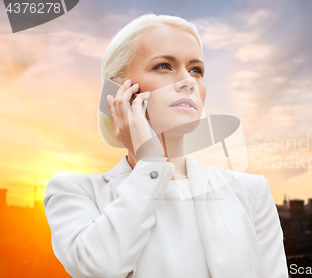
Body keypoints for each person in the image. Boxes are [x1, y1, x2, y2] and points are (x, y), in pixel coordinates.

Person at [43, 14, 288, 278]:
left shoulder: (250, 192)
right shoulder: (75, 193)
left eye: (196, 70)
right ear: (117, 92)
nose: (188, 82)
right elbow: (100, 267)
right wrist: (150, 165)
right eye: (163, 66)